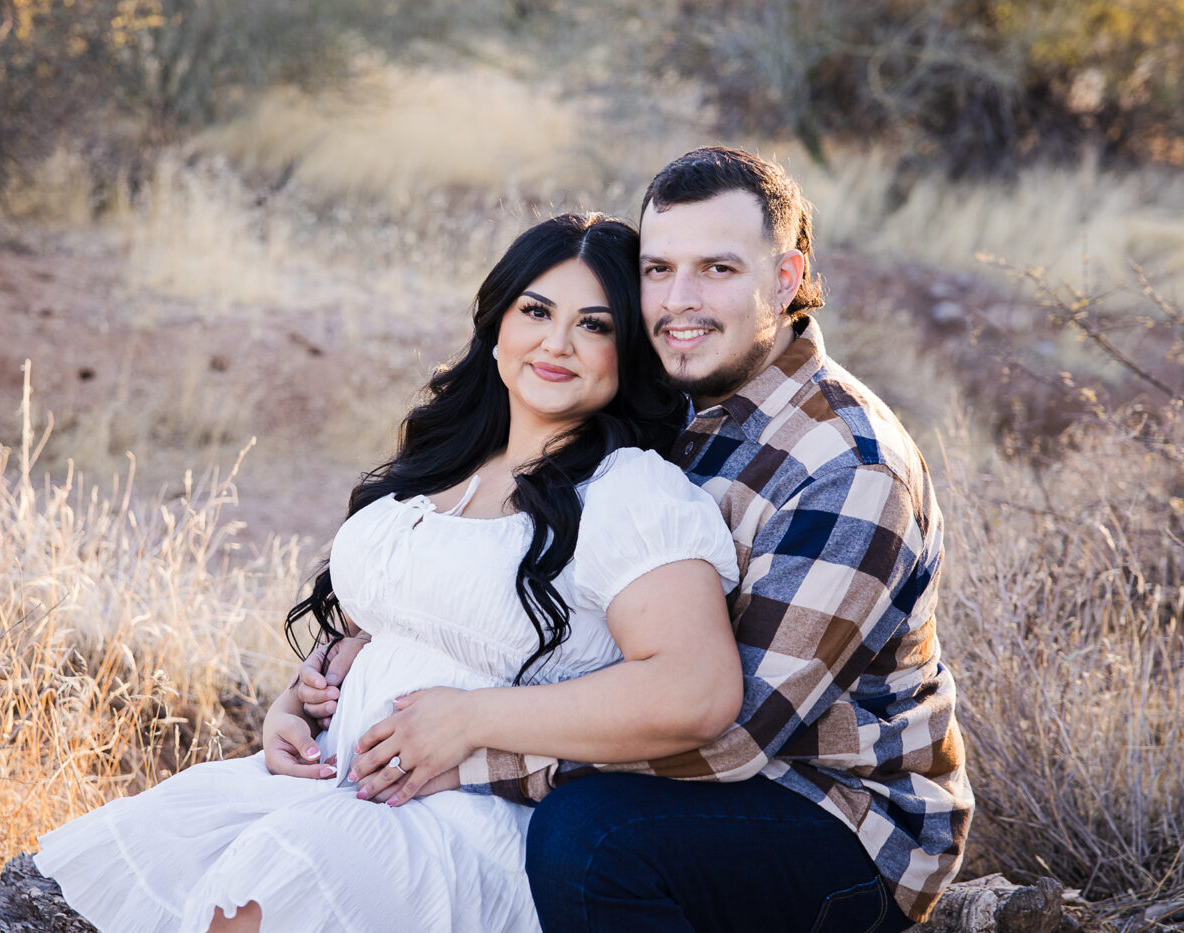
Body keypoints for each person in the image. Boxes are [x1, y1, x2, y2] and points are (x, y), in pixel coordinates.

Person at [30, 212, 745, 933]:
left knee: (270, 886)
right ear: (497, 326)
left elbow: (697, 689)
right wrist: (296, 706)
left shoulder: (630, 492)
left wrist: (469, 720)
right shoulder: (445, 461)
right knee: (148, 844)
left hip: (467, 823)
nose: (557, 342)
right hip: (331, 785)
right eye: (536, 311)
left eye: (594, 324)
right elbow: (384, 626)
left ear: (627, 350)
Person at [319, 147, 974, 932]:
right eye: (658, 269)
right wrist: (347, 683)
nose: (678, 300)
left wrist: (465, 741)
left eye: (717, 270)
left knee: (592, 837)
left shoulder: (849, 468)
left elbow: (732, 738)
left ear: (787, 277)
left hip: (837, 818)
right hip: (691, 765)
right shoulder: (673, 393)